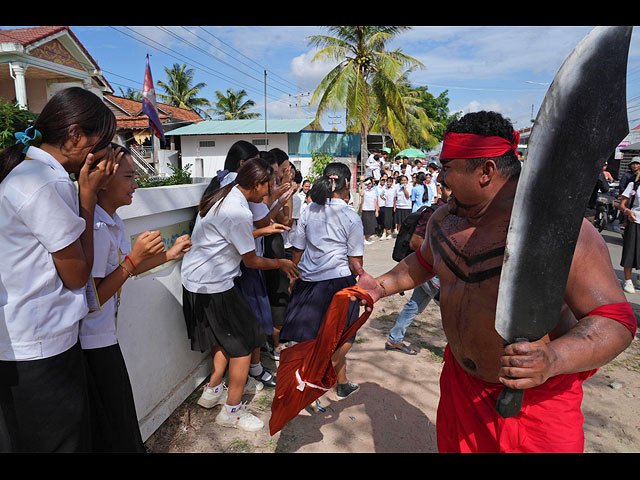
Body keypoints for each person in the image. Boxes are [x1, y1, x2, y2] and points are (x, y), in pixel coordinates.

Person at [353, 110, 635, 453]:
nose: (441, 178)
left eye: (448, 167)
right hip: (461, 389)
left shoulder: (560, 233)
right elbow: (424, 262)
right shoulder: (445, 219)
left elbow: (615, 321)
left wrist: (552, 359)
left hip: (534, 406)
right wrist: (380, 286)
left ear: (485, 172)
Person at [0, 86, 118, 452]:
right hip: (42, 350)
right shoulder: (45, 183)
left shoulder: (26, 174)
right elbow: (78, 275)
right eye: (103, 143)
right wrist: (88, 197)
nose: (104, 155)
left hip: (27, 343)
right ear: (74, 135)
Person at [80, 145, 192, 452]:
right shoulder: (96, 228)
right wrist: (133, 261)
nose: (136, 184)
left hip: (105, 336)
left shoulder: (112, 221)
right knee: (115, 425)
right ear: (103, 181)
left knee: (120, 419)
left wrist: (168, 254)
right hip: (92, 342)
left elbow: (121, 269)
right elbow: (92, 299)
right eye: (129, 176)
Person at [181, 157, 299, 432]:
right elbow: (252, 261)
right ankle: (232, 410)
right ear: (256, 184)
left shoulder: (225, 195)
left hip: (199, 281)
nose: (269, 190)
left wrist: (276, 206)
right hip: (214, 284)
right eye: (268, 185)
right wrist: (281, 263)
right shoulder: (237, 211)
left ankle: (212, 392)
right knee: (245, 342)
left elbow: (244, 230)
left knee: (225, 339)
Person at [279, 162, 365, 401]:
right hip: (339, 283)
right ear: (347, 184)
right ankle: (312, 380)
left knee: (311, 336)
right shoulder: (351, 216)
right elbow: (355, 262)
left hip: (308, 281)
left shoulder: (309, 210)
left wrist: (294, 277)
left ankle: (342, 383)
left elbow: (297, 249)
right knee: (343, 335)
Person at [385, 185, 450, 355]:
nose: (453, 193)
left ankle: (394, 339)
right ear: (441, 189)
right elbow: (415, 242)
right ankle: (459, 351)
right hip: (429, 270)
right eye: (449, 189)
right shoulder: (434, 212)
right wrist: (440, 254)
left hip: (435, 271)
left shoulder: (453, 212)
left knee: (414, 305)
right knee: (451, 306)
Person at [618, 166, 640, 293]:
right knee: (630, 252)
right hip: (635, 221)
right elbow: (621, 204)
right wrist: (628, 211)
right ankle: (627, 280)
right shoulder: (633, 185)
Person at [359, 177, 379, 244]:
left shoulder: (373, 191)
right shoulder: (364, 191)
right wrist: (363, 185)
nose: (369, 185)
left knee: (370, 224)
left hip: (372, 209)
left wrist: (376, 210)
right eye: (368, 183)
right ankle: (363, 239)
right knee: (365, 224)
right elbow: (361, 195)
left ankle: (367, 238)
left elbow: (375, 201)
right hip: (366, 209)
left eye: (370, 183)